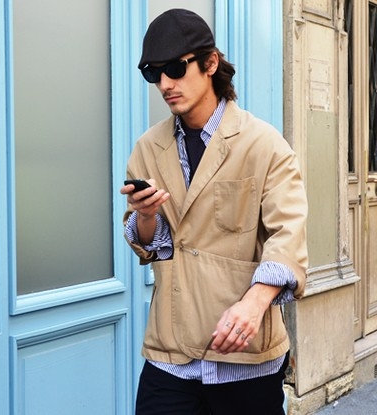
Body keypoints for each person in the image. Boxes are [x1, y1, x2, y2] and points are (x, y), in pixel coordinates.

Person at [120, 8, 308, 415]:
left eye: (175, 68)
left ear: (210, 63)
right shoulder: (148, 148)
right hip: (170, 353)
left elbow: (288, 233)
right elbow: (153, 246)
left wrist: (255, 303)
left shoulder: (263, 144)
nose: (165, 84)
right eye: (154, 74)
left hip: (244, 355)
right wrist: (146, 216)